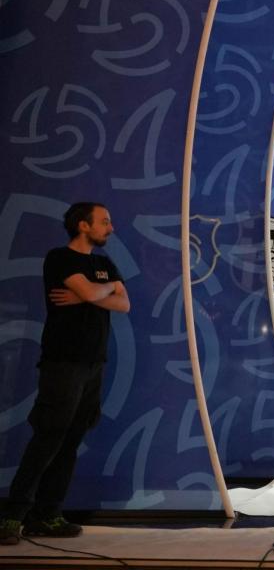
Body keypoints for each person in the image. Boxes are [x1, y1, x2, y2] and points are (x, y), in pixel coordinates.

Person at [2, 202, 128, 546]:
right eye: (104, 221)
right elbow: (100, 293)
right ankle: (12, 516)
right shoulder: (59, 258)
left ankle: (47, 514)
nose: (111, 227)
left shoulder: (103, 263)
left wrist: (89, 295)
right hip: (63, 364)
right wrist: (101, 291)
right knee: (49, 437)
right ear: (83, 225)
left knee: (71, 440)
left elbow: (124, 302)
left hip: (94, 365)